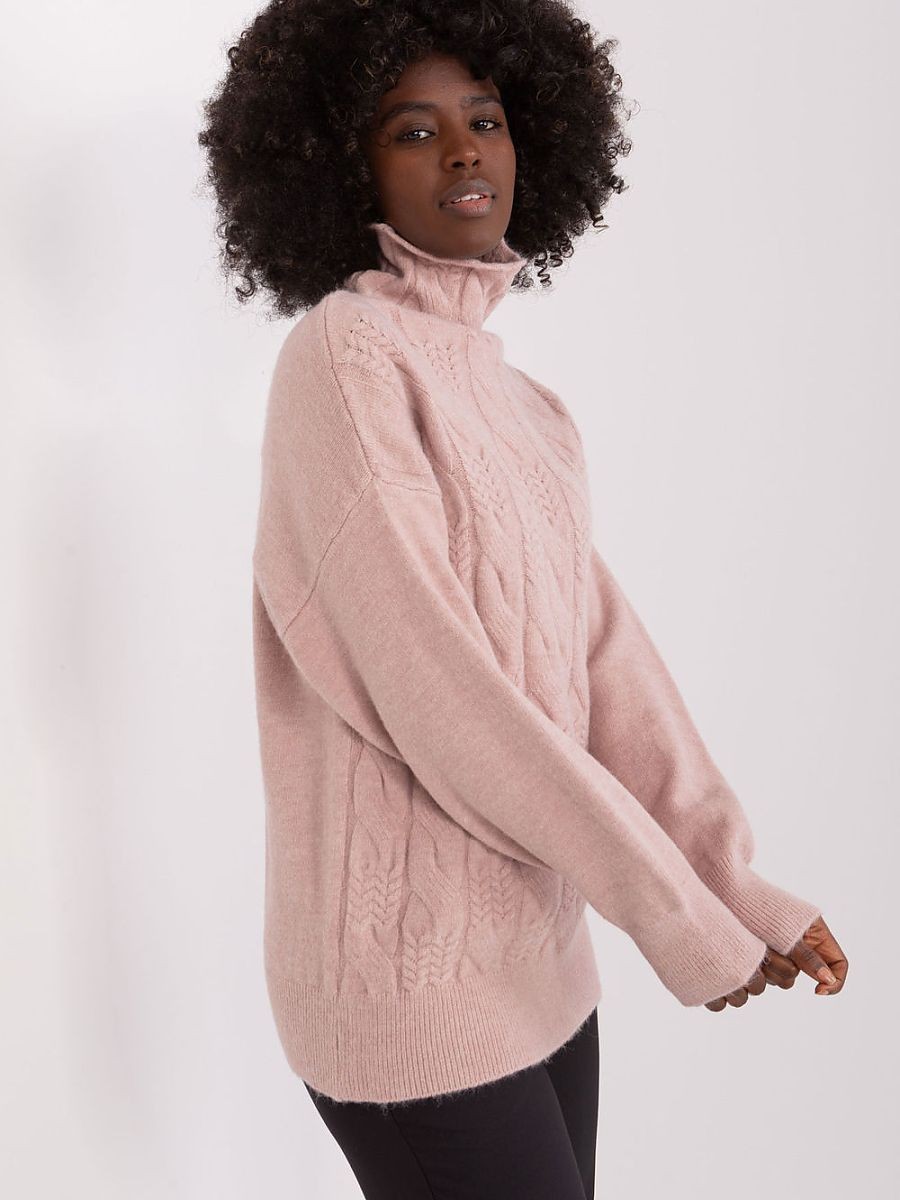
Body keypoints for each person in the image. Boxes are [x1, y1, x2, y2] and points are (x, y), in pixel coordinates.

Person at [198, 2, 847, 1195]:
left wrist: (737, 889)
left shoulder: (523, 406)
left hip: (540, 964)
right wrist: (675, 915)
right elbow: (449, 699)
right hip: (406, 986)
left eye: (486, 120)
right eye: (413, 130)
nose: (463, 150)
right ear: (342, 165)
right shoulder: (343, 359)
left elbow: (606, 666)